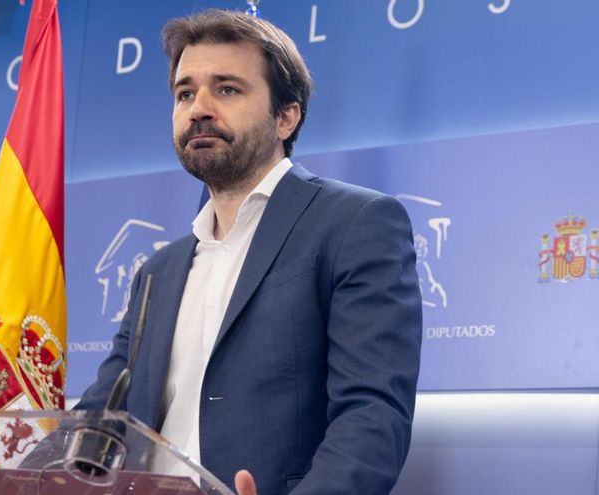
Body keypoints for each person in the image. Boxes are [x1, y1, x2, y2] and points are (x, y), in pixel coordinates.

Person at [75, 9, 423, 495]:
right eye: (184, 93)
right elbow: (101, 415)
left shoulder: (355, 224)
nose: (199, 107)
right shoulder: (158, 270)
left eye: (227, 89)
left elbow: (372, 416)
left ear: (286, 116)